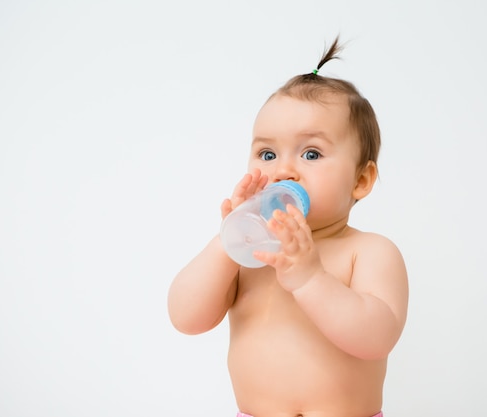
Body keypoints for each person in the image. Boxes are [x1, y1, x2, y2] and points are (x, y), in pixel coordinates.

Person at [167, 37, 409, 417]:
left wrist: (310, 278)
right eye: (267, 153)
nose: (282, 170)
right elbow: (186, 318)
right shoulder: (249, 252)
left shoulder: (370, 252)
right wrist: (227, 240)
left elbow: (377, 338)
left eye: (311, 153)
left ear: (361, 180)